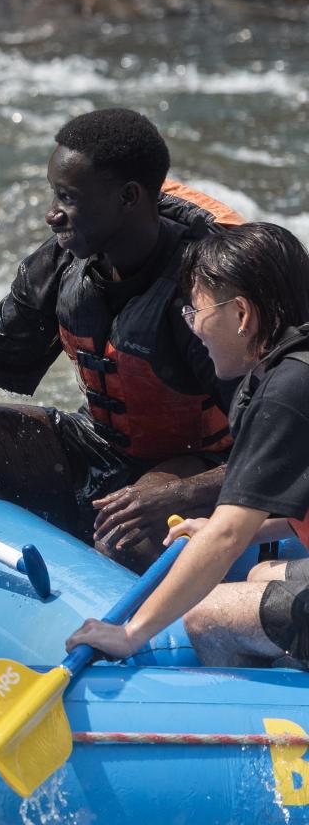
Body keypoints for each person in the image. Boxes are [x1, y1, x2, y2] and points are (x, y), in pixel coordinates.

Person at [0, 108, 243, 570]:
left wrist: (177, 494)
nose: (51, 214)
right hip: (98, 444)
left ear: (129, 197)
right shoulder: (58, 266)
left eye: (68, 198)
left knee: (125, 535)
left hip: (200, 465)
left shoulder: (203, 295)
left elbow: (280, 440)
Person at [68, 222, 309, 668]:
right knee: (258, 573)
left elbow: (226, 535)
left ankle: (250, 731)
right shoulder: (293, 367)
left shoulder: (287, 389)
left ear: (240, 314)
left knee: (207, 616)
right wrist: (262, 530)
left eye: (193, 312)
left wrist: (130, 633)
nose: (193, 328)